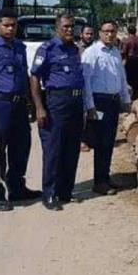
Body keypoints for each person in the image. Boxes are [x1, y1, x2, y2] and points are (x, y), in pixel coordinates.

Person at [0, 9, 41, 211]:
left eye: (14, 25)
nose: (11, 28)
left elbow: (25, 77)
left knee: (21, 147)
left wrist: (31, 104)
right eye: (6, 25)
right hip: (0, 106)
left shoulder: (20, 47)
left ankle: (17, 188)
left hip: (19, 105)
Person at [30, 14, 85, 211]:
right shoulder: (47, 49)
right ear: (57, 28)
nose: (70, 30)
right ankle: (50, 193)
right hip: (56, 103)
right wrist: (39, 107)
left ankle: (65, 190)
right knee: (53, 150)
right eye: (66, 27)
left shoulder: (74, 49)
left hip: (76, 103)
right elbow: (35, 78)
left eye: (72, 27)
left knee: (71, 149)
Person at [82, 21, 132, 195]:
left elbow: (121, 77)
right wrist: (90, 106)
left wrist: (125, 99)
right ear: (99, 33)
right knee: (101, 142)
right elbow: (86, 82)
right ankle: (99, 182)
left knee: (109, 141)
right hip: (99, 102)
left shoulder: (115, 52)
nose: (109, 34)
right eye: (106, 31)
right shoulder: (91, 53)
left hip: (112, 101)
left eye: (112, 31)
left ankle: (105, 177)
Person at [121, 24, 138, 99]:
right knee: (137, 77)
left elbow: (124, 51)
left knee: (129, 78)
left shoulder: (127, 41)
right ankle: (136, 93)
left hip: (130, 61)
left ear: (128, 31)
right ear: (135, 31)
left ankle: (131, 94)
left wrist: (121, 59)